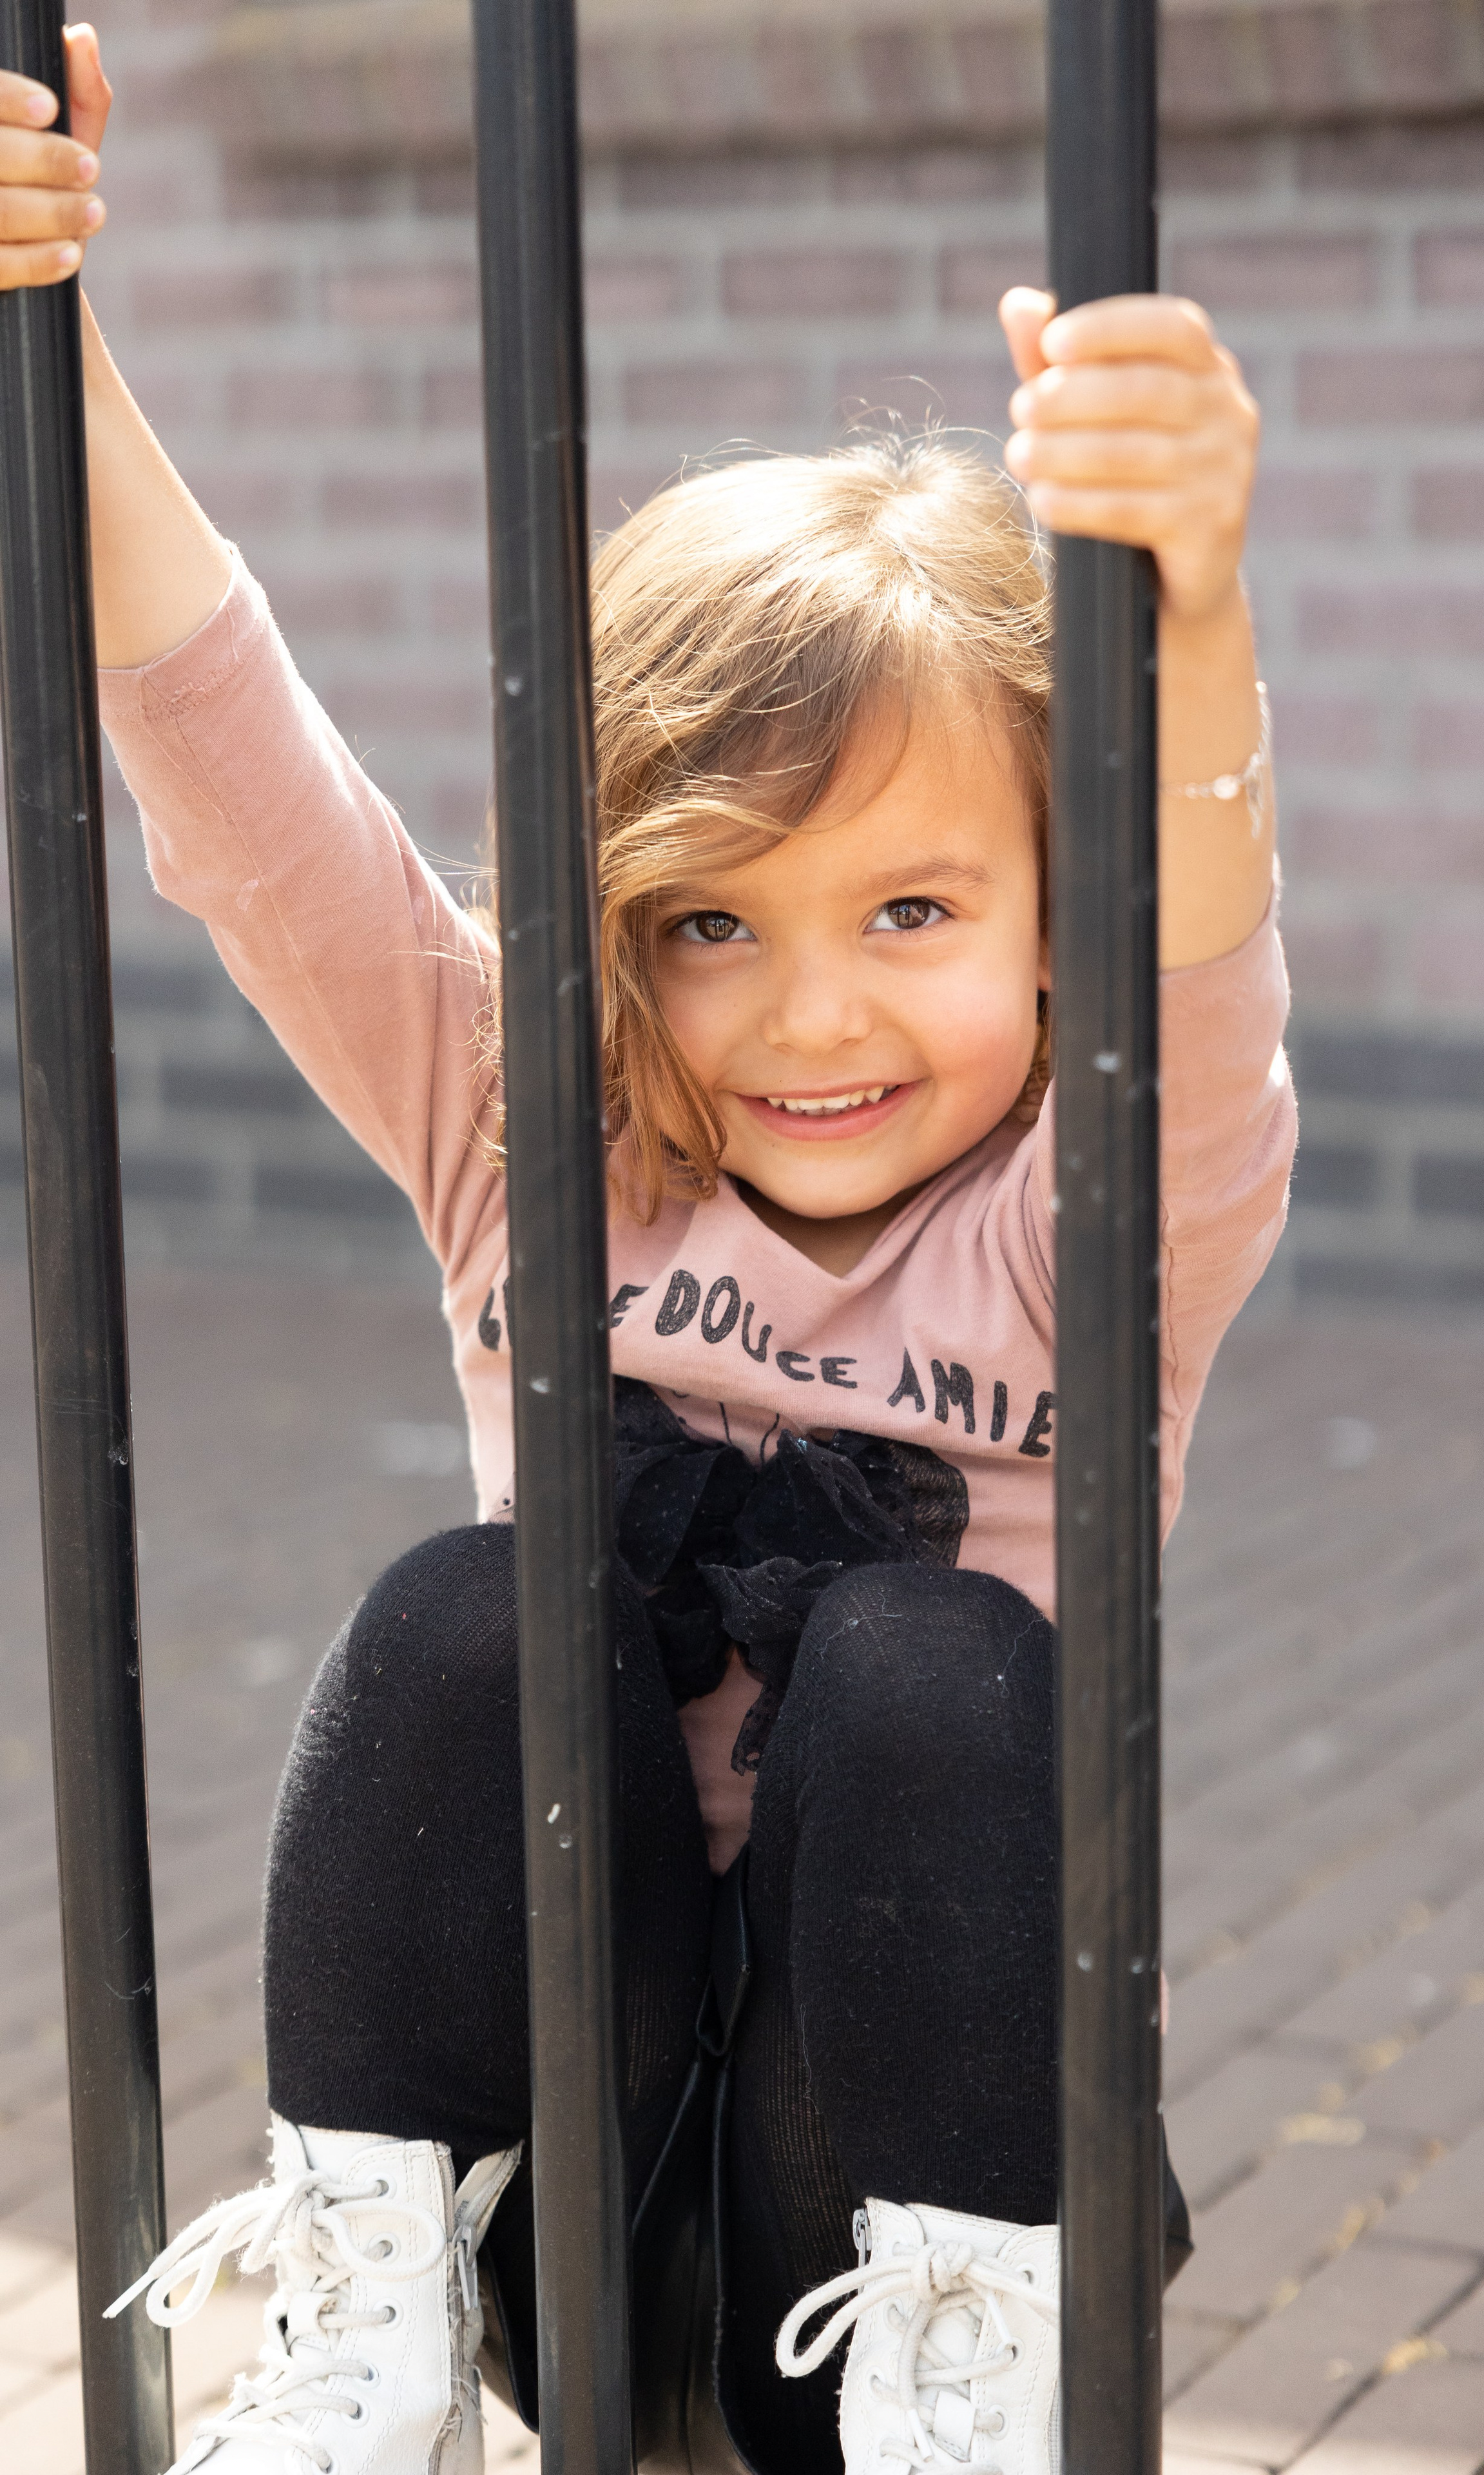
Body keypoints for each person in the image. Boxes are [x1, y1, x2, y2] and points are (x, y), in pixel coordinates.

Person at [4, 26, 1295, 2475]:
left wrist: (1197, 618)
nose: (813, 1011)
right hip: (551, 2170)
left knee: (931, 1661)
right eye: (709, 920)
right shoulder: (544, 1135)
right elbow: (234, 764)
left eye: (912, 905)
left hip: (908, 2198)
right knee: (467, 1608)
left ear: (1058, 928)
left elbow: (1213, 965)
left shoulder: (1091, 1224)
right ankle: (364, 2349)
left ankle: (979, 2416)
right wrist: (44, 327)